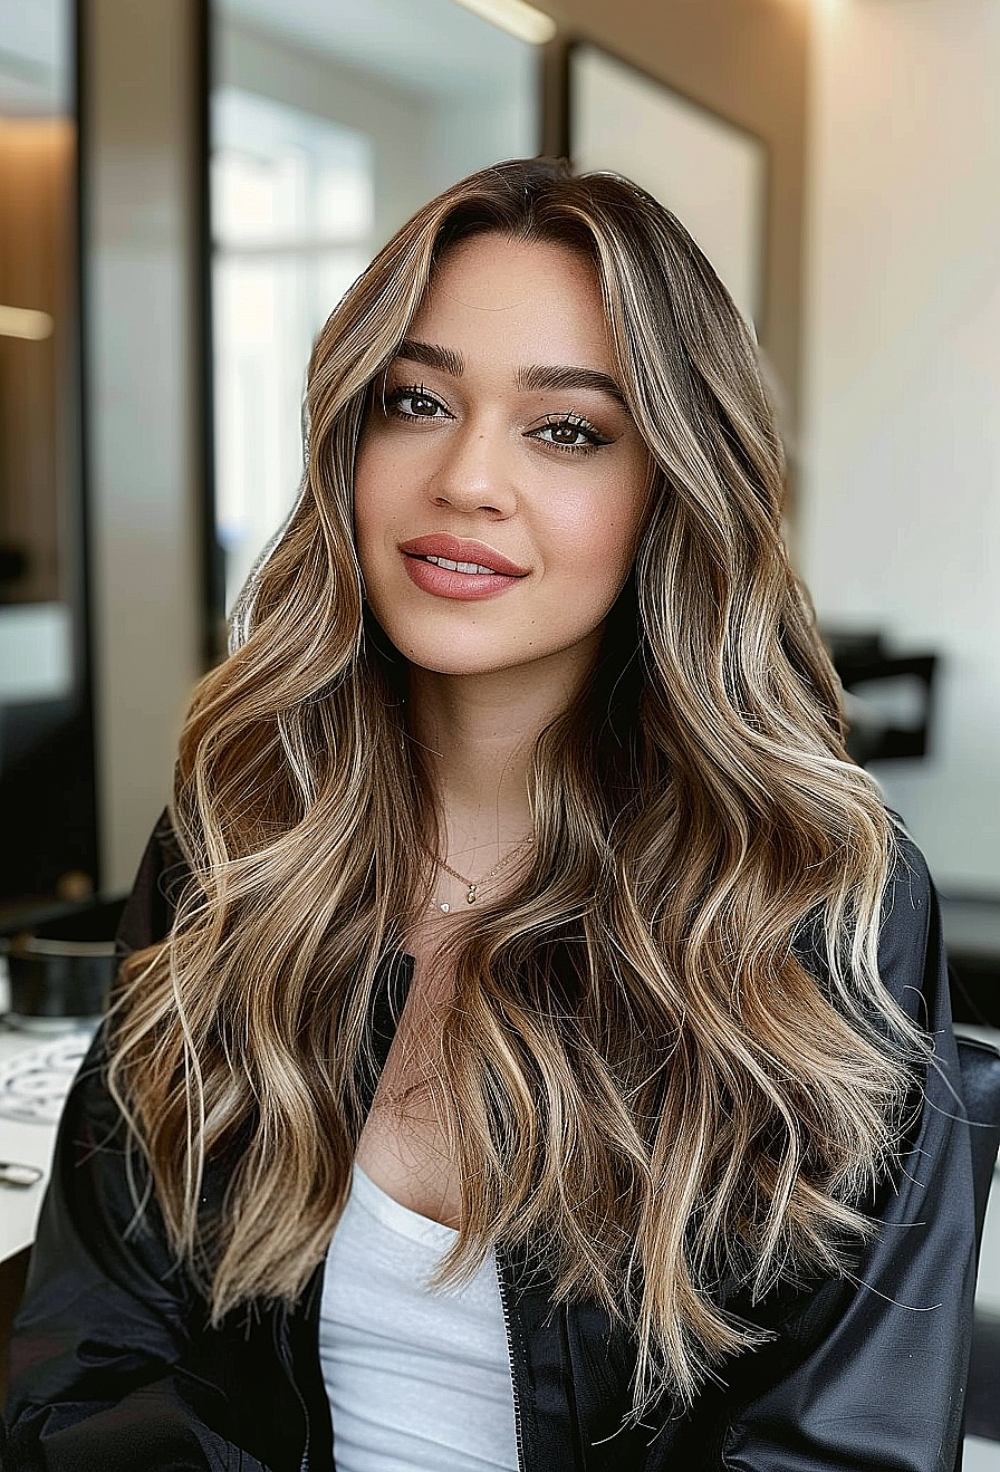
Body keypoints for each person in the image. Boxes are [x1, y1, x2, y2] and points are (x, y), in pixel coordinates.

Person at [1, 158, 976, 1472]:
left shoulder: (824, 902)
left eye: (566, 429)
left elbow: (833, 1447)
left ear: (669, 490)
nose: (465, 478)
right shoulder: (243, 839)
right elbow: (92, 1347)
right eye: (418, 401)